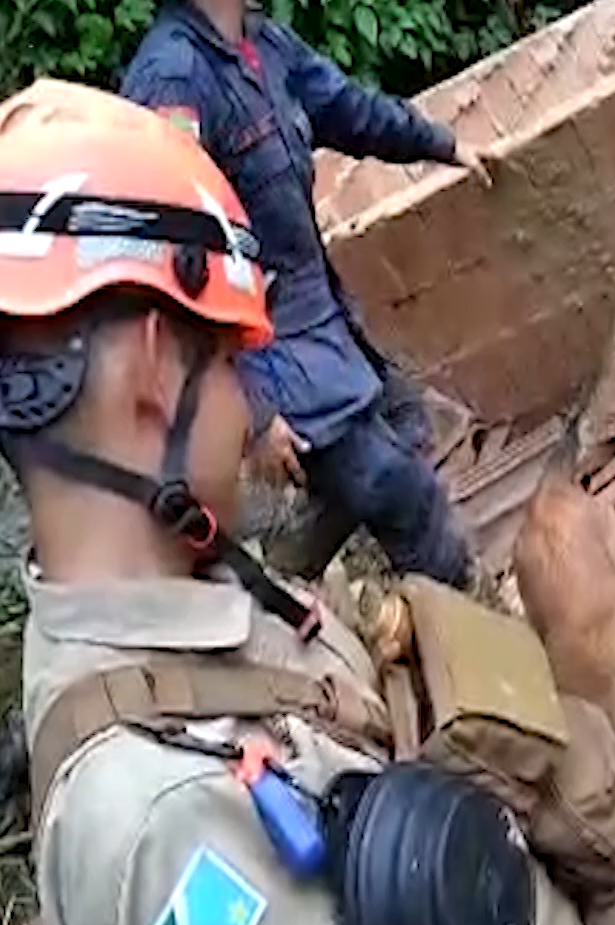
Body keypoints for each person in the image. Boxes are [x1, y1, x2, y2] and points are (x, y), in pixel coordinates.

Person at [0, 80, 615, 925]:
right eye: (237, 367)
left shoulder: (209, 595)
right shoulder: (160, 836)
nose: (250, 413)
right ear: (155, 372)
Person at [121, 0, 483, 588]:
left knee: (409, 426)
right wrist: (253, 413)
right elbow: (163, 273)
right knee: (403, 493)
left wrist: (440, 144)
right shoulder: (172, 81)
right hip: (264, 350)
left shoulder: (265, 46)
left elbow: (349, 111)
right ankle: (478, 636)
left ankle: (284, 581)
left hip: (324, 323)